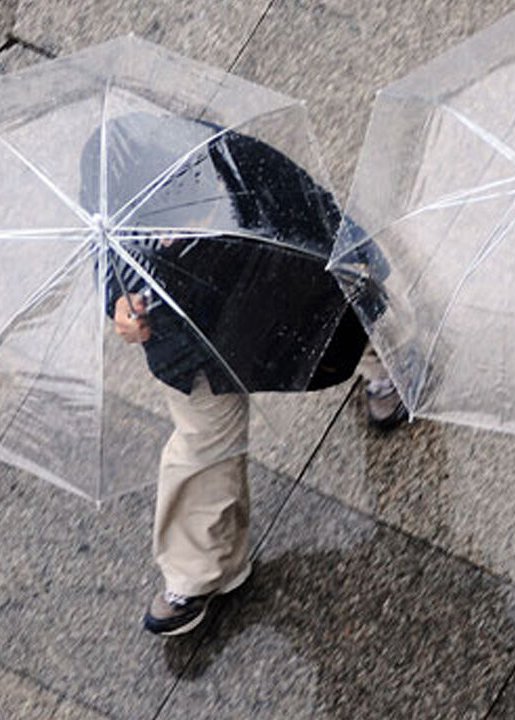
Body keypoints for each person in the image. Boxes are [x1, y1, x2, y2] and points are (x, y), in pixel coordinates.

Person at [84, 113, 369, 636]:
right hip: (188, 338)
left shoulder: (236, 163)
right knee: (201, 443)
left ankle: (390, 365)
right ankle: (199, 572)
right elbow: (106, 258)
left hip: (274, 286)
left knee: (346, 325)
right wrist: (120, 305)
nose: (165, 236)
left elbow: (315, 224)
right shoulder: (110, 171)